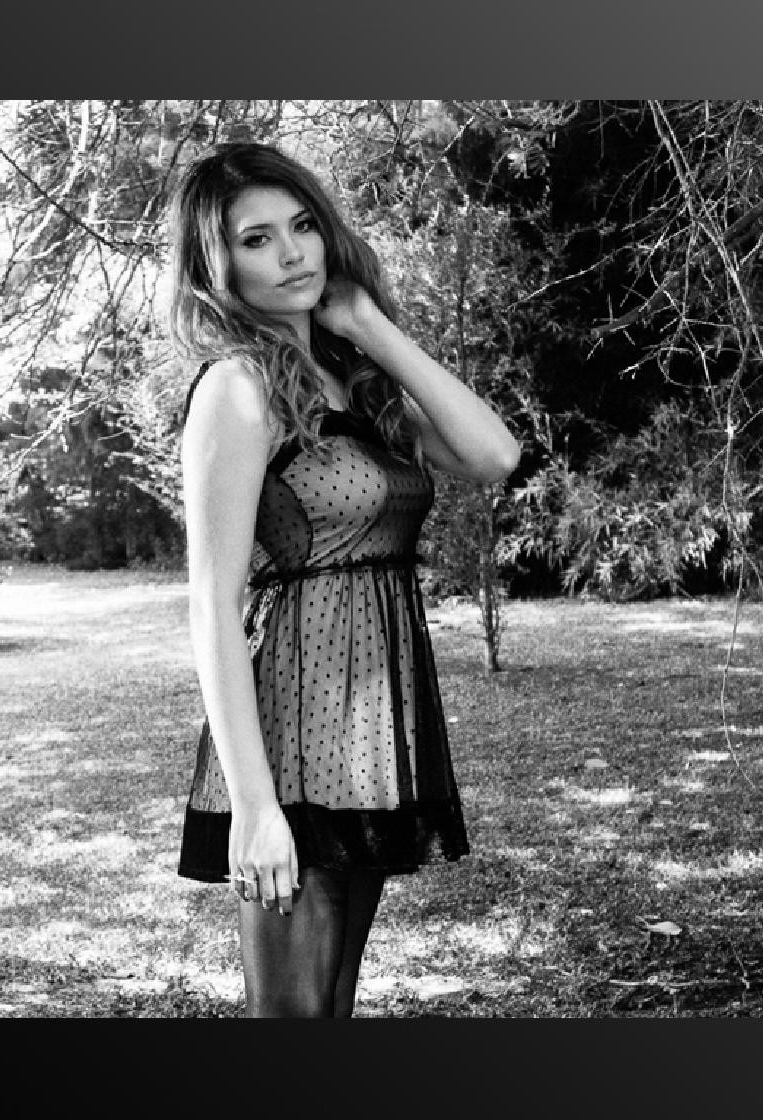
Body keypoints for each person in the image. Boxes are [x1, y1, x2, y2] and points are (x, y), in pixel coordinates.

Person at [168, 141, 520, 1017]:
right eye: (256, 240)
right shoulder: (237, 389)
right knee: (291, 1017)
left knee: (326, 1009)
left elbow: (493, 455)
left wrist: (368, 326)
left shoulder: (354, 384)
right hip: (288, 741)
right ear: (217, 264)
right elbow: (212, 606)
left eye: (302, 226)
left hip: (366, 744)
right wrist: (253, 806)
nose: (291, 254)